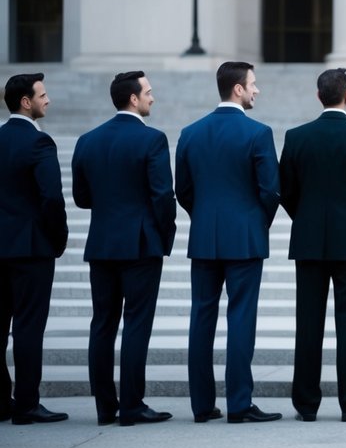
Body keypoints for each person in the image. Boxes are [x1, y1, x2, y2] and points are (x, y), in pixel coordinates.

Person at [280, 68, 346, 423]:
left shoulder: (296, 137)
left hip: (309, 240)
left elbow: (287, 192)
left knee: (308, 323)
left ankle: (306, 404)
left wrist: (306, 219)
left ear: (318, 95)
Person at [176, 61, 281, 424]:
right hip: (245, 239)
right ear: (237, 89)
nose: (257, 90)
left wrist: (204, 218)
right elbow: (270, 191)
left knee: (201, 318)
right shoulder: (258, 133)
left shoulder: (190, 133)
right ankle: (239, 403)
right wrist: (255, 222)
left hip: (204, 237)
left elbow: (183, 190)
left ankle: (202, 406)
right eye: (253, 84)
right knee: (241, 318)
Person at [71, 71, 176, 426]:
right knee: (136, 324)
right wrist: (165, 235)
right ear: (133, 98)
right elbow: (163, 196)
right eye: (148, 92)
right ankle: (131, 404)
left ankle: (105, 407)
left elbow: (82, 198)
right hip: (141, 244)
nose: (152, 98)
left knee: (102, 323)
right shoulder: (152, 140)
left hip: (101, 243)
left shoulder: (87, 140)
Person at [0, 73, 69, 425]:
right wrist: (57, 240)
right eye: (42, 95)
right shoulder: (39, 144)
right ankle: (26, 403)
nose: (48, 100)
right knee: (28, 326)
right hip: (30, 250)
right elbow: (51, 199)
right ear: (25, 102)